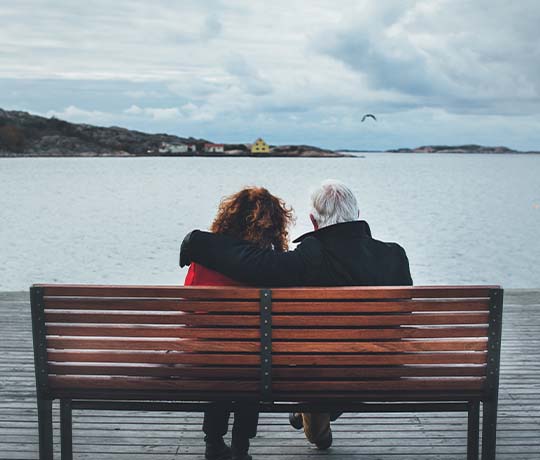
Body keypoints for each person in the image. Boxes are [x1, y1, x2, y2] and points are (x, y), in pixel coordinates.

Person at [180, 179, 413, 450]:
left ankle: (315, 415)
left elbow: (255, 264)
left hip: (318, 374)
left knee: (316, 374)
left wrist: (199, 242)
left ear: (314, 221)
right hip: (383, 370)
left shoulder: (311, 256)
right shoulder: (396, 255)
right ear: (358, 215)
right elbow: (403, 317)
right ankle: (317, 412)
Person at [183, 186, 295, 460]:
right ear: (273, 224)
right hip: (255, 360)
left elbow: (190, 312)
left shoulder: (204, 256)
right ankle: (241, 448)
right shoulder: (266, 265)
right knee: (252, 362)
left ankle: (213, 442)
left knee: (221, 361)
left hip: (205, 356)